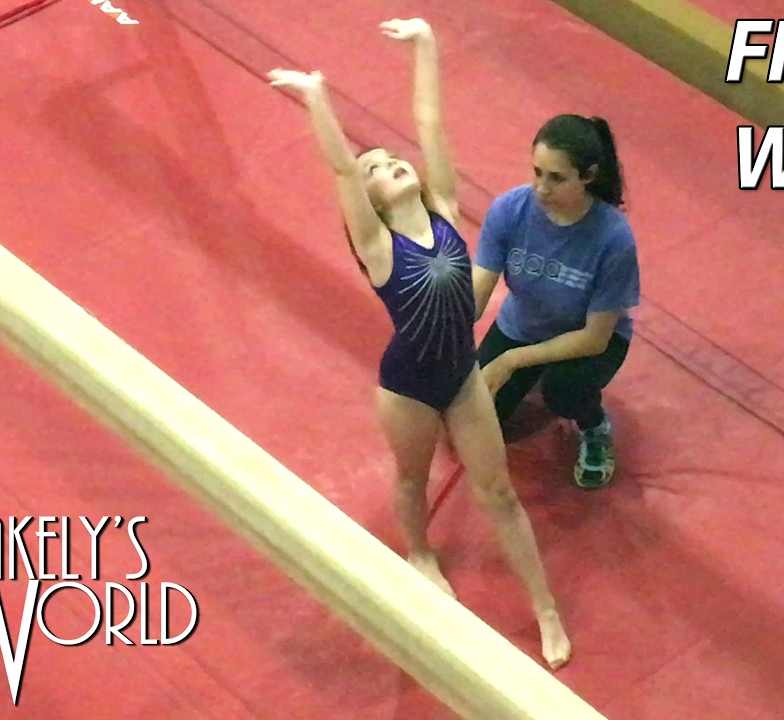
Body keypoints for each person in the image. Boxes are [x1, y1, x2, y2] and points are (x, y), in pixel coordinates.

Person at [267, 17, 570, 670]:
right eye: (376, 169)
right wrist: (317, 99)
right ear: (371, 201)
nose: (389, 163)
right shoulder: (378, 247)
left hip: (462, 377)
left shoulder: (445, 209)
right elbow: (341, 170)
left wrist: (426, 43)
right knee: (411, 478)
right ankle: (419, 551)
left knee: (500, 494)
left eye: (390, 157)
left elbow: (431, 123)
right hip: (407, 386)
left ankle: (544, 605)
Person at [471, 114, 640, 490]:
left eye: (557, 178)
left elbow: (594, 338)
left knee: (564, 391)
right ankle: (528, 377)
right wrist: (442, 330)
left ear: (588, 176)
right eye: (537, 172)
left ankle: (594, 426)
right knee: (474, 420)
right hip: (523, 326)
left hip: (586, 341)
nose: (541, 188)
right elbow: (477, 293)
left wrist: (511, 361)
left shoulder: (613, 240)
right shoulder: (509, 210)